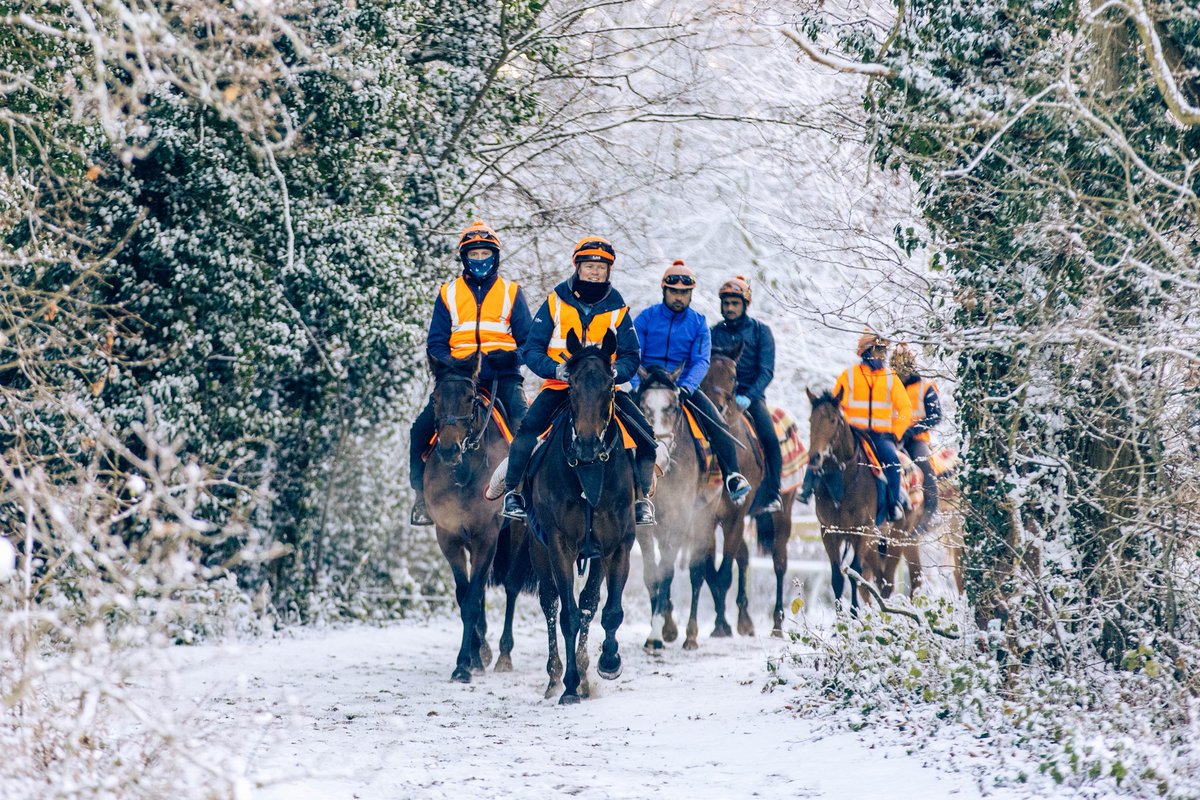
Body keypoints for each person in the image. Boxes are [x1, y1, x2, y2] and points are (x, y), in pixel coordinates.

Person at [499, 235, 658, 528]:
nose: (594, 272)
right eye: (589, 266)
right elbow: (531, 349)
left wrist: (615, 373)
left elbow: (631, 355)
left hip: (603, 393)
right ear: (577, 267)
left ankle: (641, 499)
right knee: (527, 430)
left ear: (609, 271)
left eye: (601, 268)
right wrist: (556, 370)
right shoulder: (555, 301)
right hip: (562, 387)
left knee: (647, 437)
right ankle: (514, 493)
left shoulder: (618, 307)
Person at [408, 220, 532, 526]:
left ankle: (523, 496)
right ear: (464, 257)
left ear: (495, 256)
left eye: (484, 253)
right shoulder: (448, 293)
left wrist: (510, 357)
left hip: (502, 376)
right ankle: (421, 500)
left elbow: (529, 343)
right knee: (419, 431)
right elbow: (435, 341)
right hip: (459, 379)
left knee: (524, 426)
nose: (479, 260)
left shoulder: (511, 292)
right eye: (473, 254)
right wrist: (453, 366)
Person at [630, 260, 751, 505]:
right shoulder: (645, 318)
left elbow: (700, 362)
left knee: (716, 422)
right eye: (674, 292)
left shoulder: (698, 323)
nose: (678, 297)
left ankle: (732, 475)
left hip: (681, 386)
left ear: (690, 294)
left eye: (684, 293)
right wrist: (634, 384)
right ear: (664, 291)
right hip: (645, 384)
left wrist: (687, 386)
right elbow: (632, 354)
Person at [709, 276, 782, 513]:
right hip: (717, 396)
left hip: (750, 396)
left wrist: (749, 396)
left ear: (745, 305)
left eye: (735, 303)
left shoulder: (762, 332)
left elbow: (767, 371)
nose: (729, 308)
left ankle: (772, 493)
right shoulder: (712, 333)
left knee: (770, 439)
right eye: (726, 303)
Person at [829, 329, 914, 521]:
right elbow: (834, 406)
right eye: (878, 350)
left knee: (893, 464)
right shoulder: (848, 375)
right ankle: (812, 492)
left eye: (884, 351)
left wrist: (896, 433)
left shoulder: (891, 377)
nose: (882, 355)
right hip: (854, 435)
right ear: (867, 352)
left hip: (881, 437)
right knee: (825, 458)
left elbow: (905, 409)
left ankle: (893, 507)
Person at [891, 343, 941, 518]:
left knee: (924, 465)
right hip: (891, 437)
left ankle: (932, 510)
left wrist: (911, 431)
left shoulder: (925, 387)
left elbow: (935, 415)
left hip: (916, 439)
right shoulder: (888, 386)